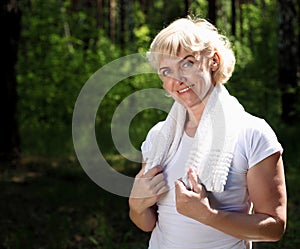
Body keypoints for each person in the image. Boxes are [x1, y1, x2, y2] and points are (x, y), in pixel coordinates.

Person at [128, 16, 287, 249]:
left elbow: (274, 228)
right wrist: (135, 205)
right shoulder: (158, 137)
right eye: (166, 71)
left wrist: (207, 215)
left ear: (213, 61)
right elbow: (146, 223)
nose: (177, 79)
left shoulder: (252, 134)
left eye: (187, 63)